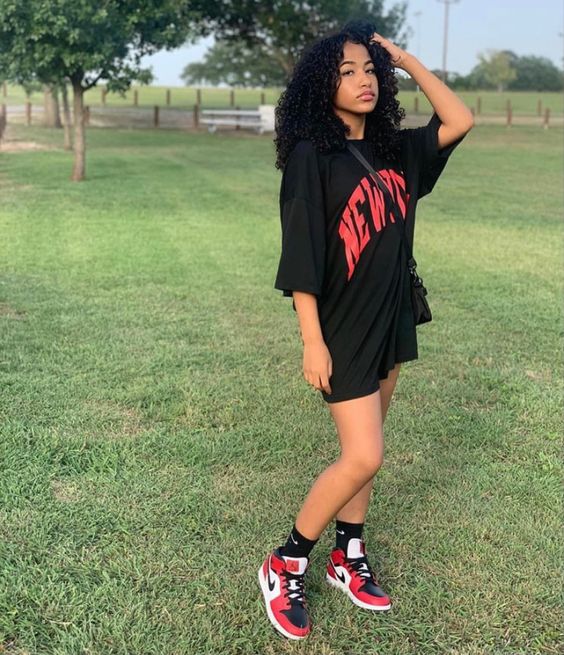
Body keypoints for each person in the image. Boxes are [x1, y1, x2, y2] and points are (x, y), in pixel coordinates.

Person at [258, 20, 474, 640]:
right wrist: (312, 338)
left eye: (370, 70)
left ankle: (346, 556)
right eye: (346, 71)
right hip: (343, 324)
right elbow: (300, 253)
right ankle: (287, 560)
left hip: (393, 312)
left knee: (367, 453)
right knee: (364, 454)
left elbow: (458, 119)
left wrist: (402, 57)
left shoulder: (395, 150)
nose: (363, 80)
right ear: (320, 87)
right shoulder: (310, 157)